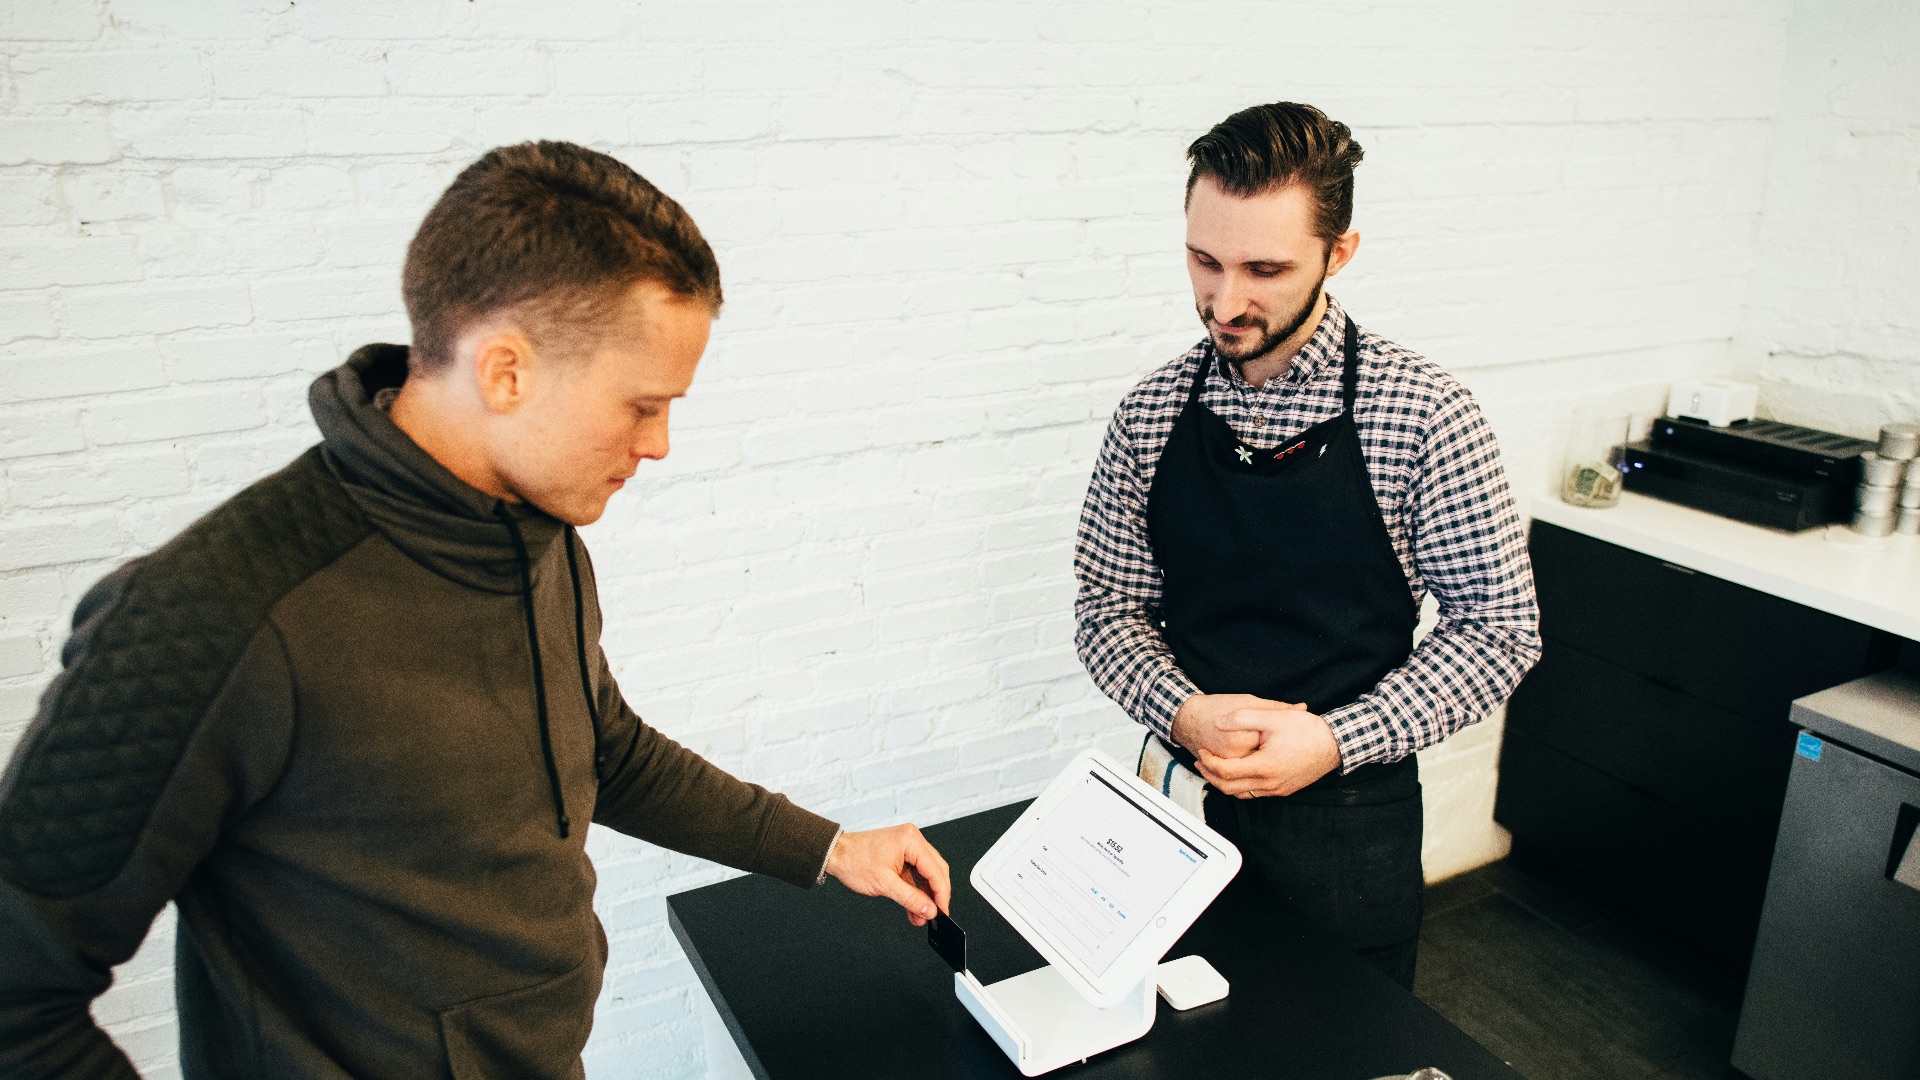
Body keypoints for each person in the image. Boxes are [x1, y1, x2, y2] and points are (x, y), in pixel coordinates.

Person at [0, 141, 951, 1079]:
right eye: (642, 405)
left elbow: (602, 748)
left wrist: (829, 848)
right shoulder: (210, 616)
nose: (659, 444)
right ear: (505, 372)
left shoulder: (537, 531)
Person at [1072, 103, 1542, 989]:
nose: (1225, 300)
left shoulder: (1423, 414)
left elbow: (1499, 632)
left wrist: (1331, 739)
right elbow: (1107, 608)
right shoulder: (1151, 412)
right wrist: (1180, 710)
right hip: (1175, 810)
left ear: (1341, 253)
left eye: (1266, 269)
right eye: (1204, 260)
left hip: (1348, 830)